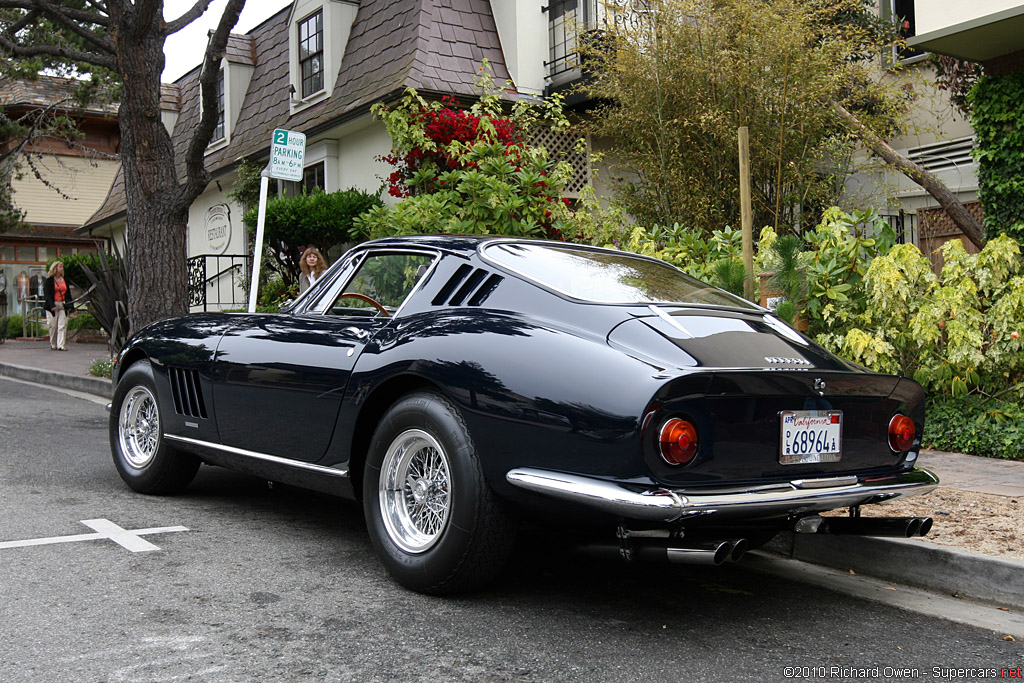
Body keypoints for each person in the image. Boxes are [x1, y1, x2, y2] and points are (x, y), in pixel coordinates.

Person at [44, 260, 73, 351]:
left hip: (62, 305)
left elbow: (68, 294)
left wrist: (71, 306)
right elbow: (48, 294)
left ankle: (61, 344)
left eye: (62, 267)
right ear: (55, 268)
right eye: (60, 267)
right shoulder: (49, 281)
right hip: (52, 305)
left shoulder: (65, 280)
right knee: (53, 325)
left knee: (62, 325)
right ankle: (53, 343)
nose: (61, 269)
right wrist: (52, 305)